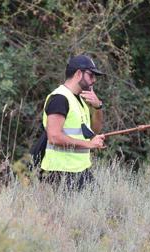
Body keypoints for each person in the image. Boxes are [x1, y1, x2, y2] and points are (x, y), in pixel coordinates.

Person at [40, 54, 105, 191]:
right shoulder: (60, 98)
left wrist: (98, 107)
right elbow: (54, 137)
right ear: (78, 73)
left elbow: (95, 131)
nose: (94, 80)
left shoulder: (80, 99)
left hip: (79, 169)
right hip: (60, 172)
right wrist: (89, 144)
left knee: (99, 208)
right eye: (91, 75)